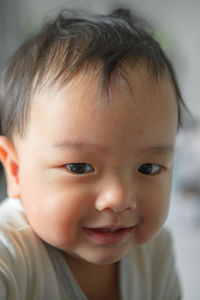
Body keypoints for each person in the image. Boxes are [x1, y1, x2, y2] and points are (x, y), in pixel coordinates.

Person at [0, 8, 184, 300]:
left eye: (149, 168)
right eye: (79, 167)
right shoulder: (10, 252)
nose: (119, 199)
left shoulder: (154, 253)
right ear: (14, 169)